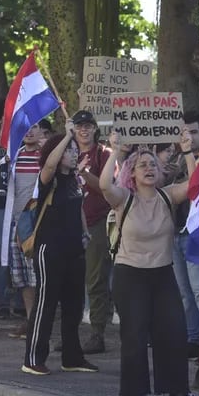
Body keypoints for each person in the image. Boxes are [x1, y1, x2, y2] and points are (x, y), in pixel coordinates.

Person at [99, 129, 199, 396]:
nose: (148, 168)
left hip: (162, 275)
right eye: (142, 165)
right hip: (130, 275)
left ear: (161, 172)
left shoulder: (167, 196)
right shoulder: (124, 198)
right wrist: (116, 152)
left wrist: (187, 152)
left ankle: (178, 393)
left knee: (174, 332)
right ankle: (138, 394)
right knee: (134, 334)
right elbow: (103, 185)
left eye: (153, 165)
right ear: (132, 174)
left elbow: (195, 184)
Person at [21, 121, 98, 376]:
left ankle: (72, 357)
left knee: (74, 306)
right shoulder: (48, 177)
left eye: (75, 150)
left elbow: (77, 209)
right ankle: (33, 358)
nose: (73, 153)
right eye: (69, 150)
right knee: (46, 303)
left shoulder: (74, 180)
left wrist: (85, 234)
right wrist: (66, 136)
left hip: (74, 249)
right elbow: (51, 164)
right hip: (49, 249)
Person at [0, 120, 52, 338]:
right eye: (26, 128)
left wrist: (48, 151)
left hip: (37, 223)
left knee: (37, 274)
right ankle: (31, 321)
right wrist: (5, 162)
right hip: (14, 223)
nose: (30, 131)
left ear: (42, 131)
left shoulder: (47, 157)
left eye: (35, 127)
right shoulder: (14, 156)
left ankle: (42, 321)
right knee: (21, 276)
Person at [72, 110, 113, 355]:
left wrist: (84, 173)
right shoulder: (67, 152)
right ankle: (71, 333)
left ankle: (97, 334)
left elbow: (107, 189)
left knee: (96, 280)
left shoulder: (104, 154)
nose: (84, 130)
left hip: (97, 223)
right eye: (79, 126)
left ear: (95, 129)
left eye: (88, 126)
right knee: (72, 282)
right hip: (71, 224)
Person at [172, 112, 199, 360]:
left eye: (193, 132)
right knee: (184, 293)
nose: (188, 137)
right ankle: (193, 338)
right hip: (174, 234)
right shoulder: (172, 161)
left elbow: (196, 184)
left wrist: (187, 156)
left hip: (196, 236)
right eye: (183, 132)